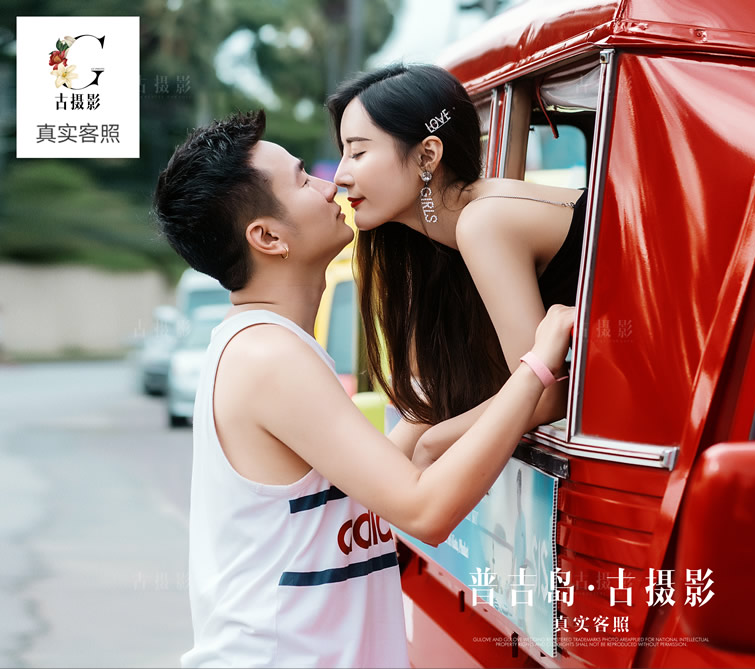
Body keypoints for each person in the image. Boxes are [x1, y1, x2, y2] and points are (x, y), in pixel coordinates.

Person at [151, 109, 575, 668]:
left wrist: (432, 416)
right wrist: (538, 367)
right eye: (303, 179)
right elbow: (423, 510)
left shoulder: (267, 345)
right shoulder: (267, 356)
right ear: (268, 237)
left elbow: (362, 492)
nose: (330, 185)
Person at [326, 63, 587, 464]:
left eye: (358, 152)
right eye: (343, 154)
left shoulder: (483, 222)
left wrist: (432, 443)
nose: (340, 176)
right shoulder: (440, 243)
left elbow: (545, 394)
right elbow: (458, 393)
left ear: (427, 155)